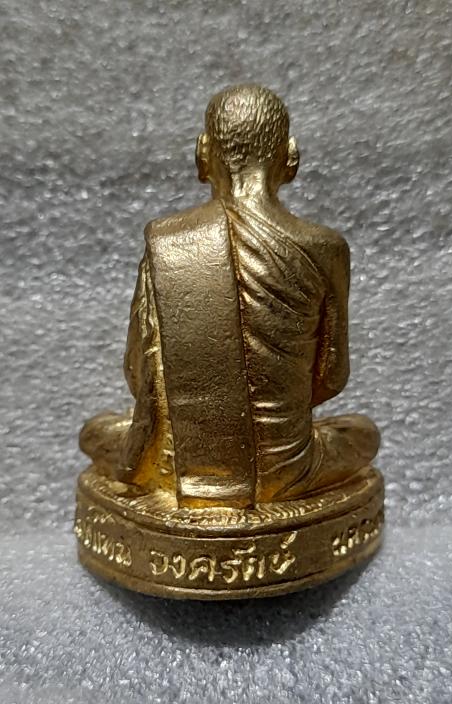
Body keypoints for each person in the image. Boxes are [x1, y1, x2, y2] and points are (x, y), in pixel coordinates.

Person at [80, 84, 379, 508]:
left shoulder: (166, 242)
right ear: (291, 156)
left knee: (96, 432)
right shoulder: (325, 247)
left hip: (179, 467)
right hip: (289, 469)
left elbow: (138, 374)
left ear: (202, 154)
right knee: (363, 434)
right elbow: (331, 378)